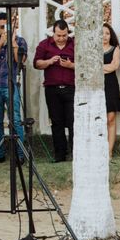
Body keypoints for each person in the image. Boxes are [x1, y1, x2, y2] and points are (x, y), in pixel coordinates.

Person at [0, 12, 27, 163]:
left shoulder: (20, 41)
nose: (4, 30)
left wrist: (13, 41)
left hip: (10, 85)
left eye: (7, 26)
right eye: (2, 26)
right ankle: (0, 154)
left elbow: (20, 61)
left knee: (15, 120)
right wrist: (0, 42)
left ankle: (19, 155)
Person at [34, 19, 75, 163]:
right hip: (52, 89)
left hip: (71, 88)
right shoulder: (44, 45)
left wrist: (70, 65)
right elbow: (37, 63)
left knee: (73, 122)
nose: (62, 38)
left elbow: (84, 65)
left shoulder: (74, 44)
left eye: (64, 35)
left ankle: (75, 154)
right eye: (59, 35)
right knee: (56, 122)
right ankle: (60, 155)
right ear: (53, 33)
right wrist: (49, 61)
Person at [102, 23, 120, 158]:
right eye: (102, 33)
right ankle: (100, 149)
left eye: (107, 33)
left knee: (110, 118)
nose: (104, 36)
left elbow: (114, 66)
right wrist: (105, 67)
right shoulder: (92, 50)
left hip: (110, 85)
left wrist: (98, 68)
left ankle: (109, 151)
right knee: (99, 120)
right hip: (96, 86)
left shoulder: (115, 49)